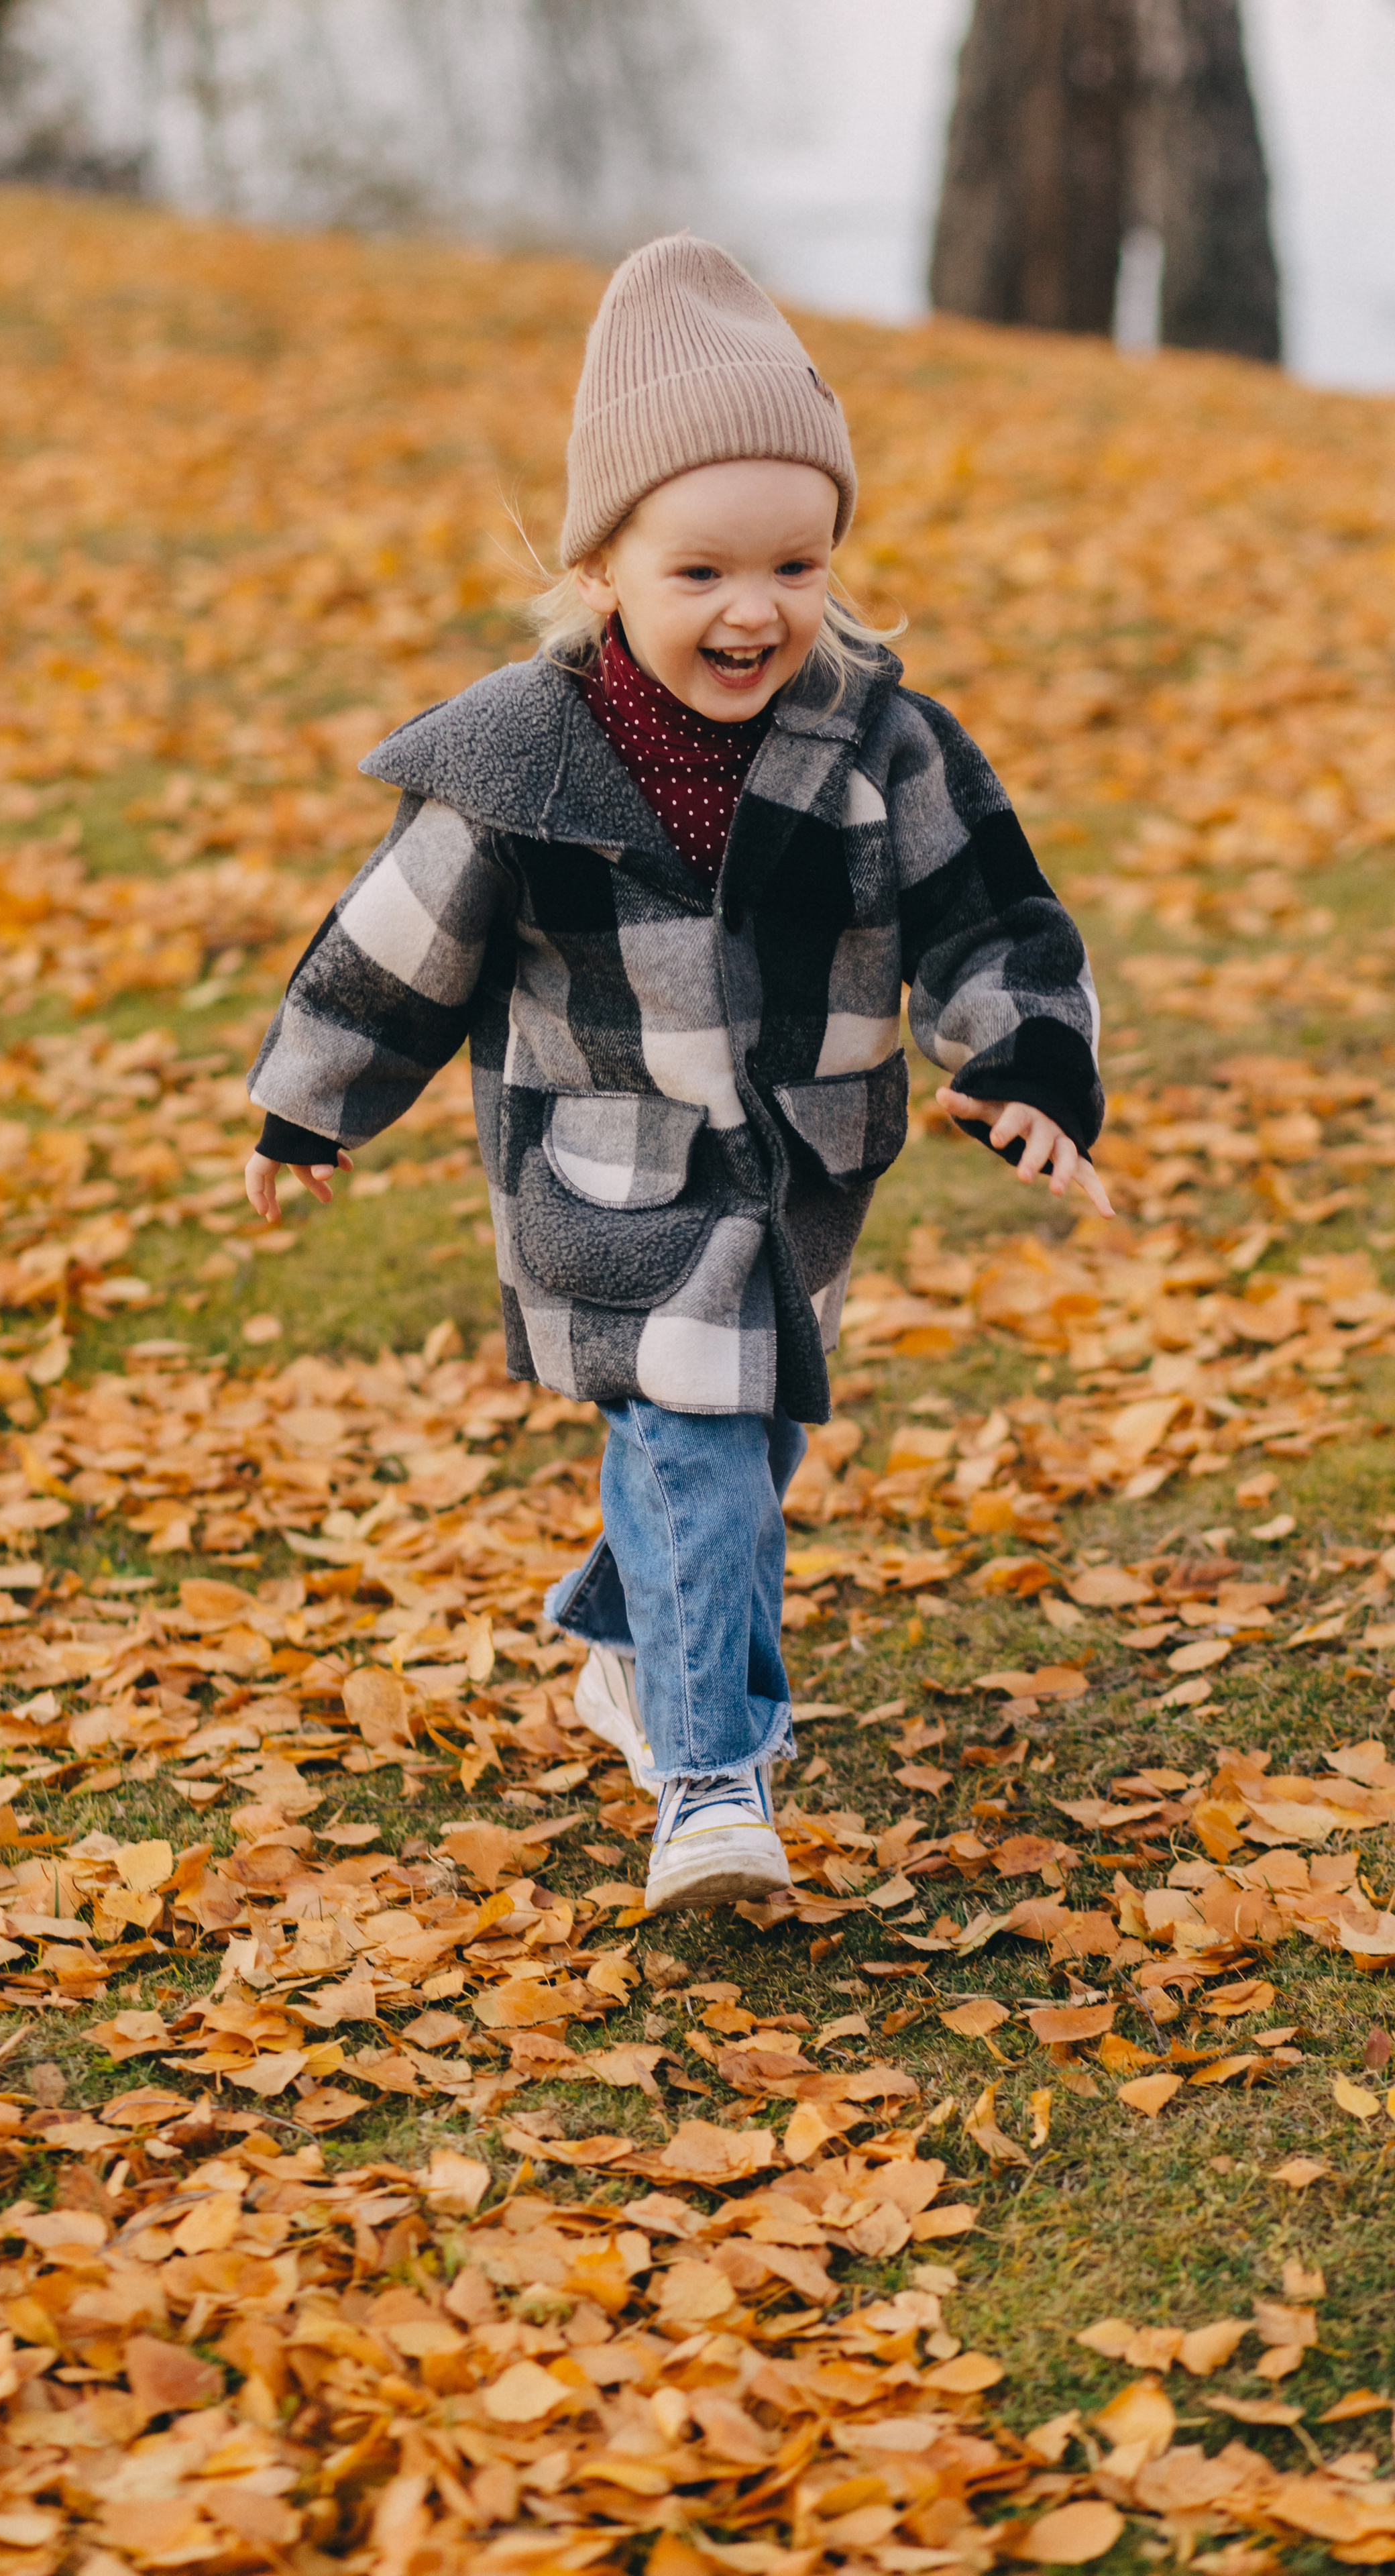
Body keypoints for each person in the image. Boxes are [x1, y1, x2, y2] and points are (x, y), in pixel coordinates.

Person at [243, 235, 1111, 1917]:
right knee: (699, 1441)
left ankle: (623, 1647)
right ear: (600, 571)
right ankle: (713, 1782)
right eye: (702, 570)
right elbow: (401, 936)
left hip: (796, 1171)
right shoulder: (522, 755)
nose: (754, 609)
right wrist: (308, 1095)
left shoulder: (879, 737)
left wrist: (1027, 1074)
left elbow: (986, 907)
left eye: (794, 563)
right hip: (605, 1178)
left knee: (732, 1444)